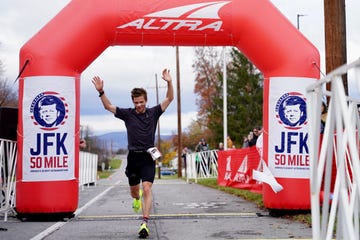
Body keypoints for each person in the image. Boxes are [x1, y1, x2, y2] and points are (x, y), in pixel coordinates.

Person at [92, 68, 174, 238]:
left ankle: (144, 222)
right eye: (136, 102)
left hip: (148, 157)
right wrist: (101, 91)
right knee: (135, 192)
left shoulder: (154, 112)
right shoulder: (128, 114)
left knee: (147, 188)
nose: (139, 105)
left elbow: (169, 98)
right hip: (133, 158)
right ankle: (137, 199)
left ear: (146, 100)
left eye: (141, 102)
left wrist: (169, 82)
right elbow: (108, 106)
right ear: (133, 102)